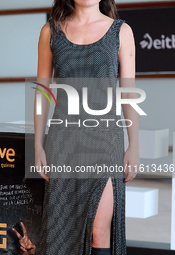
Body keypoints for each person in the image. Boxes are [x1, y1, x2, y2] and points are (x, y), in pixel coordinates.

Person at [34, 0, 139, 254]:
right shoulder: (51, 32)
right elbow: (43, 93)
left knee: (99, 230)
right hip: (63, 143)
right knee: (63, 230)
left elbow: (128, 93)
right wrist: (37, 145)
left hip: (106, 142)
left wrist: (133, 144)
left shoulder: (121, 31)